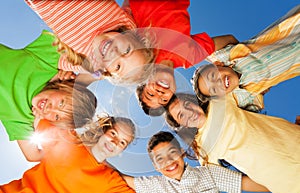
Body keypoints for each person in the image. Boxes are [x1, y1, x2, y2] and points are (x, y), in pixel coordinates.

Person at [167, 91, 300, 193]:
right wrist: (274, 185)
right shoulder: (204, 150)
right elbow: (235, 182)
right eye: (181, 115)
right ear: (182, 126)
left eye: (187, 104)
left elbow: (255, 86)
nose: (189, 112)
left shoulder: (219, 102)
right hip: (291, 187)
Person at [125, 0, 238, 115]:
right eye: (164, 100)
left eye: (151, 94)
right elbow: (229, 40)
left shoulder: (141, 51)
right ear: (173, 92)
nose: (159, 93)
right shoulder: (189, 57)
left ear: (143, 81)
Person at [0, 30, 97, 162]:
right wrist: (77, 80)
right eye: (61, 103)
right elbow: (98, 65)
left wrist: (36, 123)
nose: (50, 109)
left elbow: (33, 156)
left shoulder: (23, 118)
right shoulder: (45, 64)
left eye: (56, 117)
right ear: (65, 88)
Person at [0, 116, 137, 193]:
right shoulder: (68, 139)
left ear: (122, 150)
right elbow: (37, 114)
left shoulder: (110, 180)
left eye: (122, 142)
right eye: (113, 133)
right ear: (103, 130)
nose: (114, 142)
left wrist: (121, 175)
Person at [192, 8, 300, 112]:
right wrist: (262, 90)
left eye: (212, 76)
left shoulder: (228, 57)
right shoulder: (241, 98)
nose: (218, 83)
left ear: (217, 64)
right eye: (214, 89)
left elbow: (210, 46)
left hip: (292, 27)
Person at [25, 0, 155, 85]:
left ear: (107, 72)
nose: (115, 54)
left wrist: (63, 75)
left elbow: (59, 63)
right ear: (129, 35)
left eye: (118, 67)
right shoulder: (125, 23)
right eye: (127, 50)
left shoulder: (87, 63)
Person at [122, 131, 268, 193]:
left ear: (182, 153)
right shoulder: (154, 186)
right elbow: (115, 177)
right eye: (160, 159)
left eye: (172, 152)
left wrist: (287, 184)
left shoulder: (208, 173)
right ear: (156, 167)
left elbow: (249, 183)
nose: (168, 161)